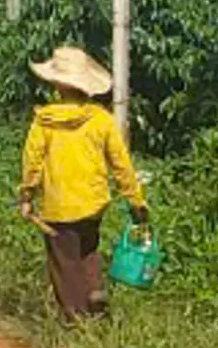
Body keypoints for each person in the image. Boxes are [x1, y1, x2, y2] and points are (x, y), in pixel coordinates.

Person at [16, 46, 150, 320]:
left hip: (57, 206)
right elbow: (121, 164)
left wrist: (26, 195)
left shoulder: (44, 121)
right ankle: (94, 295)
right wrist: (136, 200)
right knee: (88, 249)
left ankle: (75, 317)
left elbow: (32, 163)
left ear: (56, 83)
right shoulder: (101, 120)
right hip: (92, 203)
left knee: (64, 262)